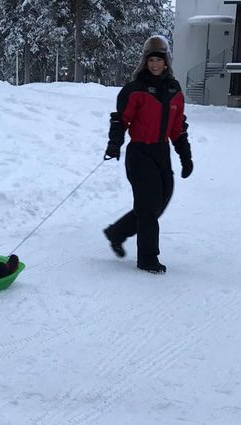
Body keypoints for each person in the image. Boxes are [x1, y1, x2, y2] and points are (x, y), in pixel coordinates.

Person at [102, 35, 193, 274]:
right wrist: (115, 144)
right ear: (145, 61)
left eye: (159, 60)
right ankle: (148, 258)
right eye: (151, 60)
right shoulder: (135, 90)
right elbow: (121, 119)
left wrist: (185, 156)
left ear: (166, 62)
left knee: (158, 204)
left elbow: (177, 127)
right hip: (140, 152)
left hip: (161, 152)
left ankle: (117, 232)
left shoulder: (174, 90)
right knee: (148, 206)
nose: (155, 64)